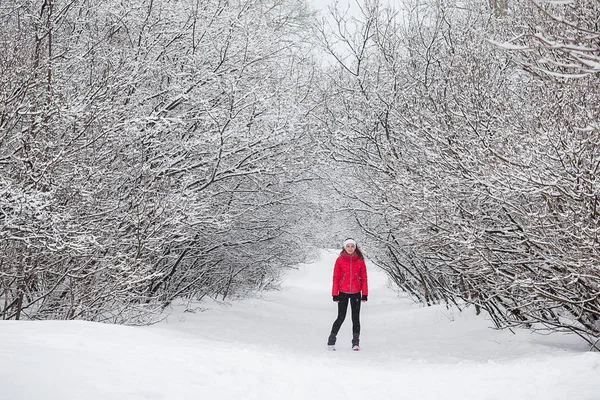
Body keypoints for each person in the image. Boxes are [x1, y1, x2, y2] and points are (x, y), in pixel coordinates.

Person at [327, 238, 368, 351]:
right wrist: (335, 293)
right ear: (345, 247)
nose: (350, 248)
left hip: (356, 293)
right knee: (341, 317)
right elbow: (336, 278)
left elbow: (364, 278)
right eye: (348, 246)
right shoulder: (340, 260)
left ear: (355, 247)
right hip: (343, 293)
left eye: (352, 246)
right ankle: (331, 341)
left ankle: (356, 343)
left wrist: (364, 293)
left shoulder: (360, 261)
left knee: (356, 318)